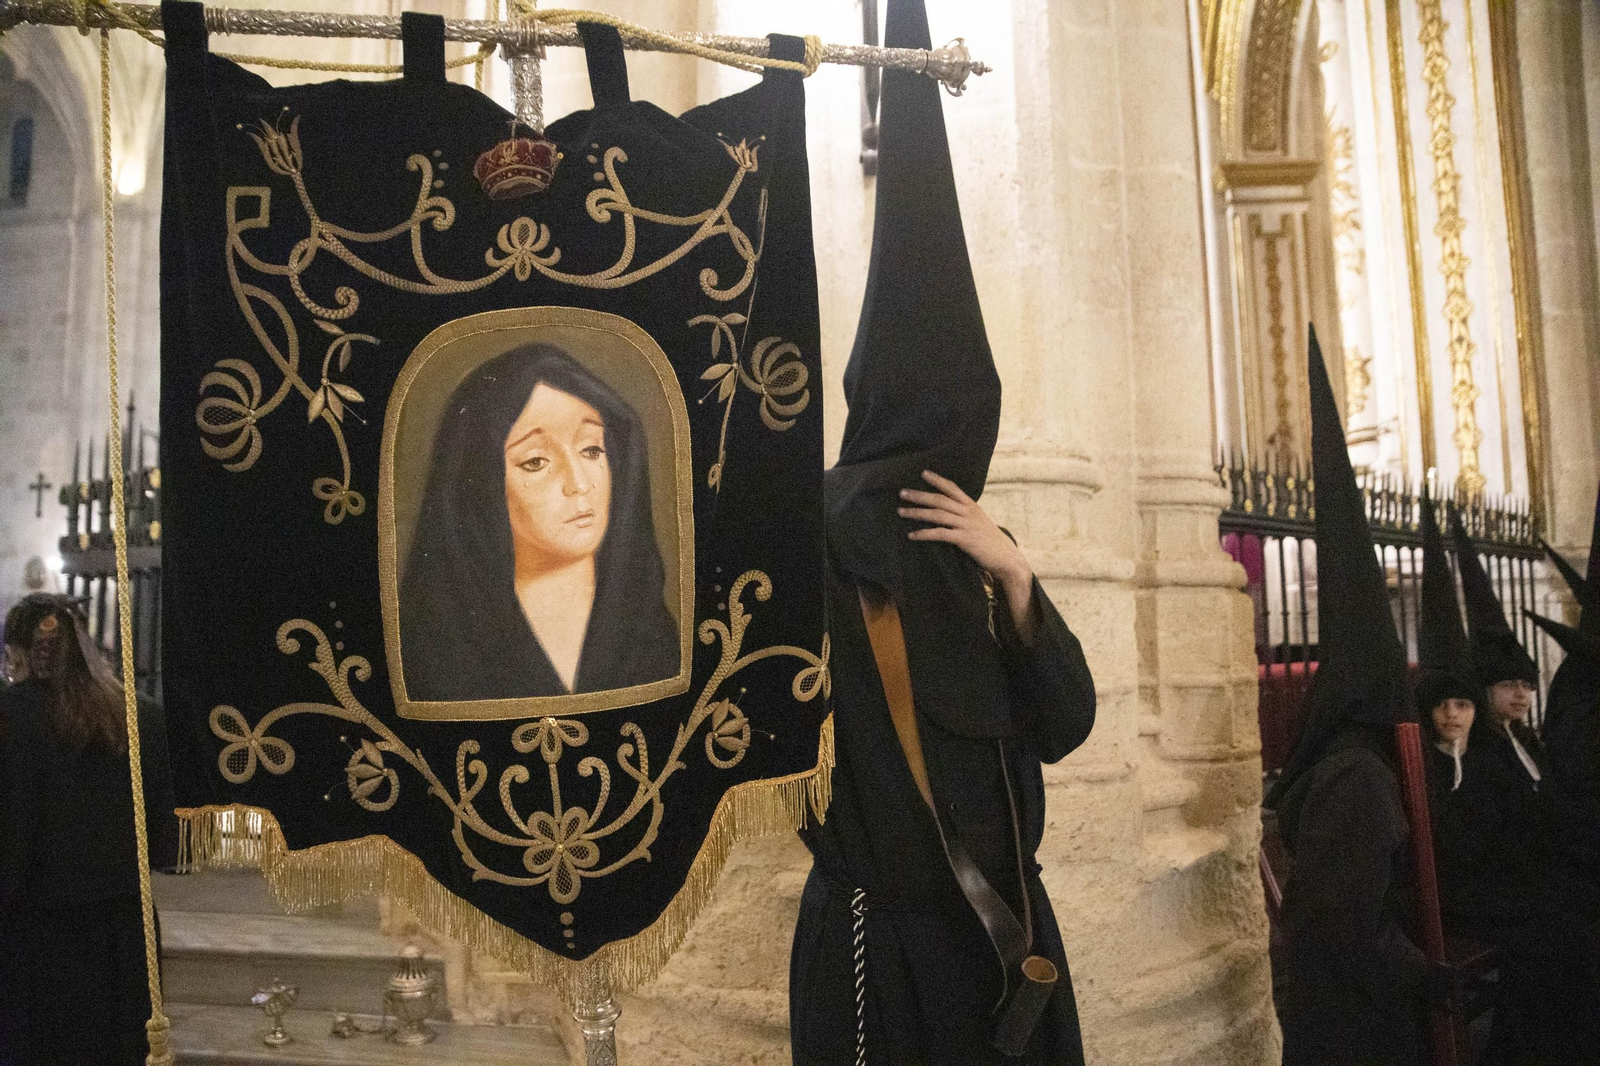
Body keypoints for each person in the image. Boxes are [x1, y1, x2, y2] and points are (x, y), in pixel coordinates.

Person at [788, 1, 1096, 1061]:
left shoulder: (971, 543)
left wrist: (1014, 578)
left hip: (1002, 930)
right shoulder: (830, 533)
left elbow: (1061, 723)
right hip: (887, 950)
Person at [1269, 331, 1440, 1066]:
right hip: (1351, 1024)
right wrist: (1425, 977)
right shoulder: (1358, 775)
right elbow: (1341, 925)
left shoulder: (1351, 762)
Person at [399, 343, 678, 701]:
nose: (578, 483)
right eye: (535, 462)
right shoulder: (434, 642)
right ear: (480, 483)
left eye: (591, 450)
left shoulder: (650, 630)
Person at [0, 593, 178, 1066]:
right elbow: (164, 843)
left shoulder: (9, 713)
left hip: (37, 936)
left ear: (15, 653)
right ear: (87, 646)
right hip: (125, 931)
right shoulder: (141, 713)